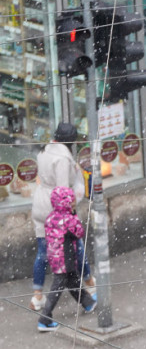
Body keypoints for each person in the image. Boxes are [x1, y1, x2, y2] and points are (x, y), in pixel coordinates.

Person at [30, 122, 93, 311]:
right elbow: (63, 192)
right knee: (77, 246)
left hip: (39, 203)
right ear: (71, 142)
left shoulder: (45, 150)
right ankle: (90, 282)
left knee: (42, 253)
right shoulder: (63, 159)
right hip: (54, 209)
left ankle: (37, 296)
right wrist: (72, 214)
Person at [38, 186, 96, 331]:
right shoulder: (69, 219)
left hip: (56, 258)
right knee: (58, 287)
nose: (74, 203)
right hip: (66, 258)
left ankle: (88, 302)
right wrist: (74, 215)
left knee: (73, 280)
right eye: (72, 201)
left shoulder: (51, 217)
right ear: (66, 203)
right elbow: (79, 232)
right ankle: (44, 319)